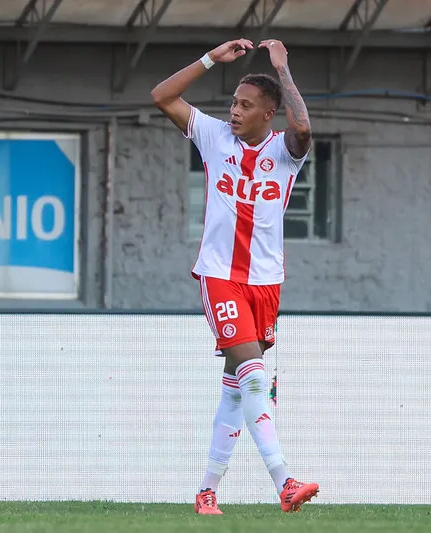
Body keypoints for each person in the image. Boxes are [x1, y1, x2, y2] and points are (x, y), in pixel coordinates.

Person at [151, 38, 320, 515]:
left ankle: (207, 490)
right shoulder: (212, 136)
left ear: (269, 114)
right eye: (233, 102)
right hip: (220, 277)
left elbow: (303, 125)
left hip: (266, 282)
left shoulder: (286, 152)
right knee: (253, 379)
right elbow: (162, 96)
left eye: (246, 106)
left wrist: (283, 70)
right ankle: (285, 481)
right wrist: (209, 59)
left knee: (235, 390)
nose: (234, 111)